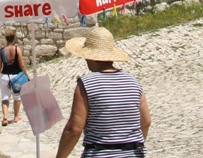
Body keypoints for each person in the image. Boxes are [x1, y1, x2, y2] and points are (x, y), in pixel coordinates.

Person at [55, 26, 150, 158]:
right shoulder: (134, 82)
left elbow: (74, 129)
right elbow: (146, 122)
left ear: (91, 57)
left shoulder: (86, 84)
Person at [0, 28, 30, 126]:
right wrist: (26, 73)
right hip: (16, 77)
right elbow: (22, 64)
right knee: (17, 97)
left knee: (5, 97)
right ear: (14, 38)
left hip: (5, 76)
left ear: (6, 39)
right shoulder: (16, 49)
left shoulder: (1, 51)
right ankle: (16, 116)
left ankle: (5, 117)